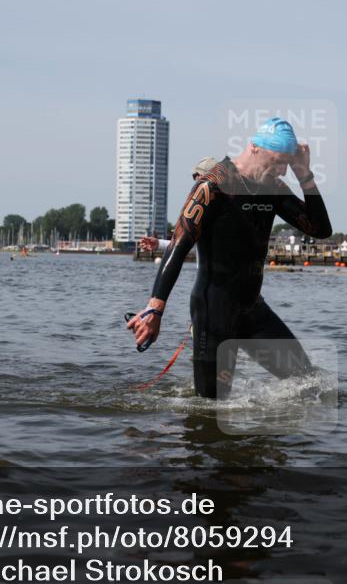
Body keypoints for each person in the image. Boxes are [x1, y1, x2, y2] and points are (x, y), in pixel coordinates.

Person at [127, 118, 332, 398]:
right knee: (210, 408)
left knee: (311, 386)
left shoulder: (273, 188)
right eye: (278, 162)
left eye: (287, 164)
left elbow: (320, 230)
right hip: (213, 313)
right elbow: (179, 245)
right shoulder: (213, 185)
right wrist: (155, 309)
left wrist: (304, 174)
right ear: (255, 147)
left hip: (252, 310)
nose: (282, 170)